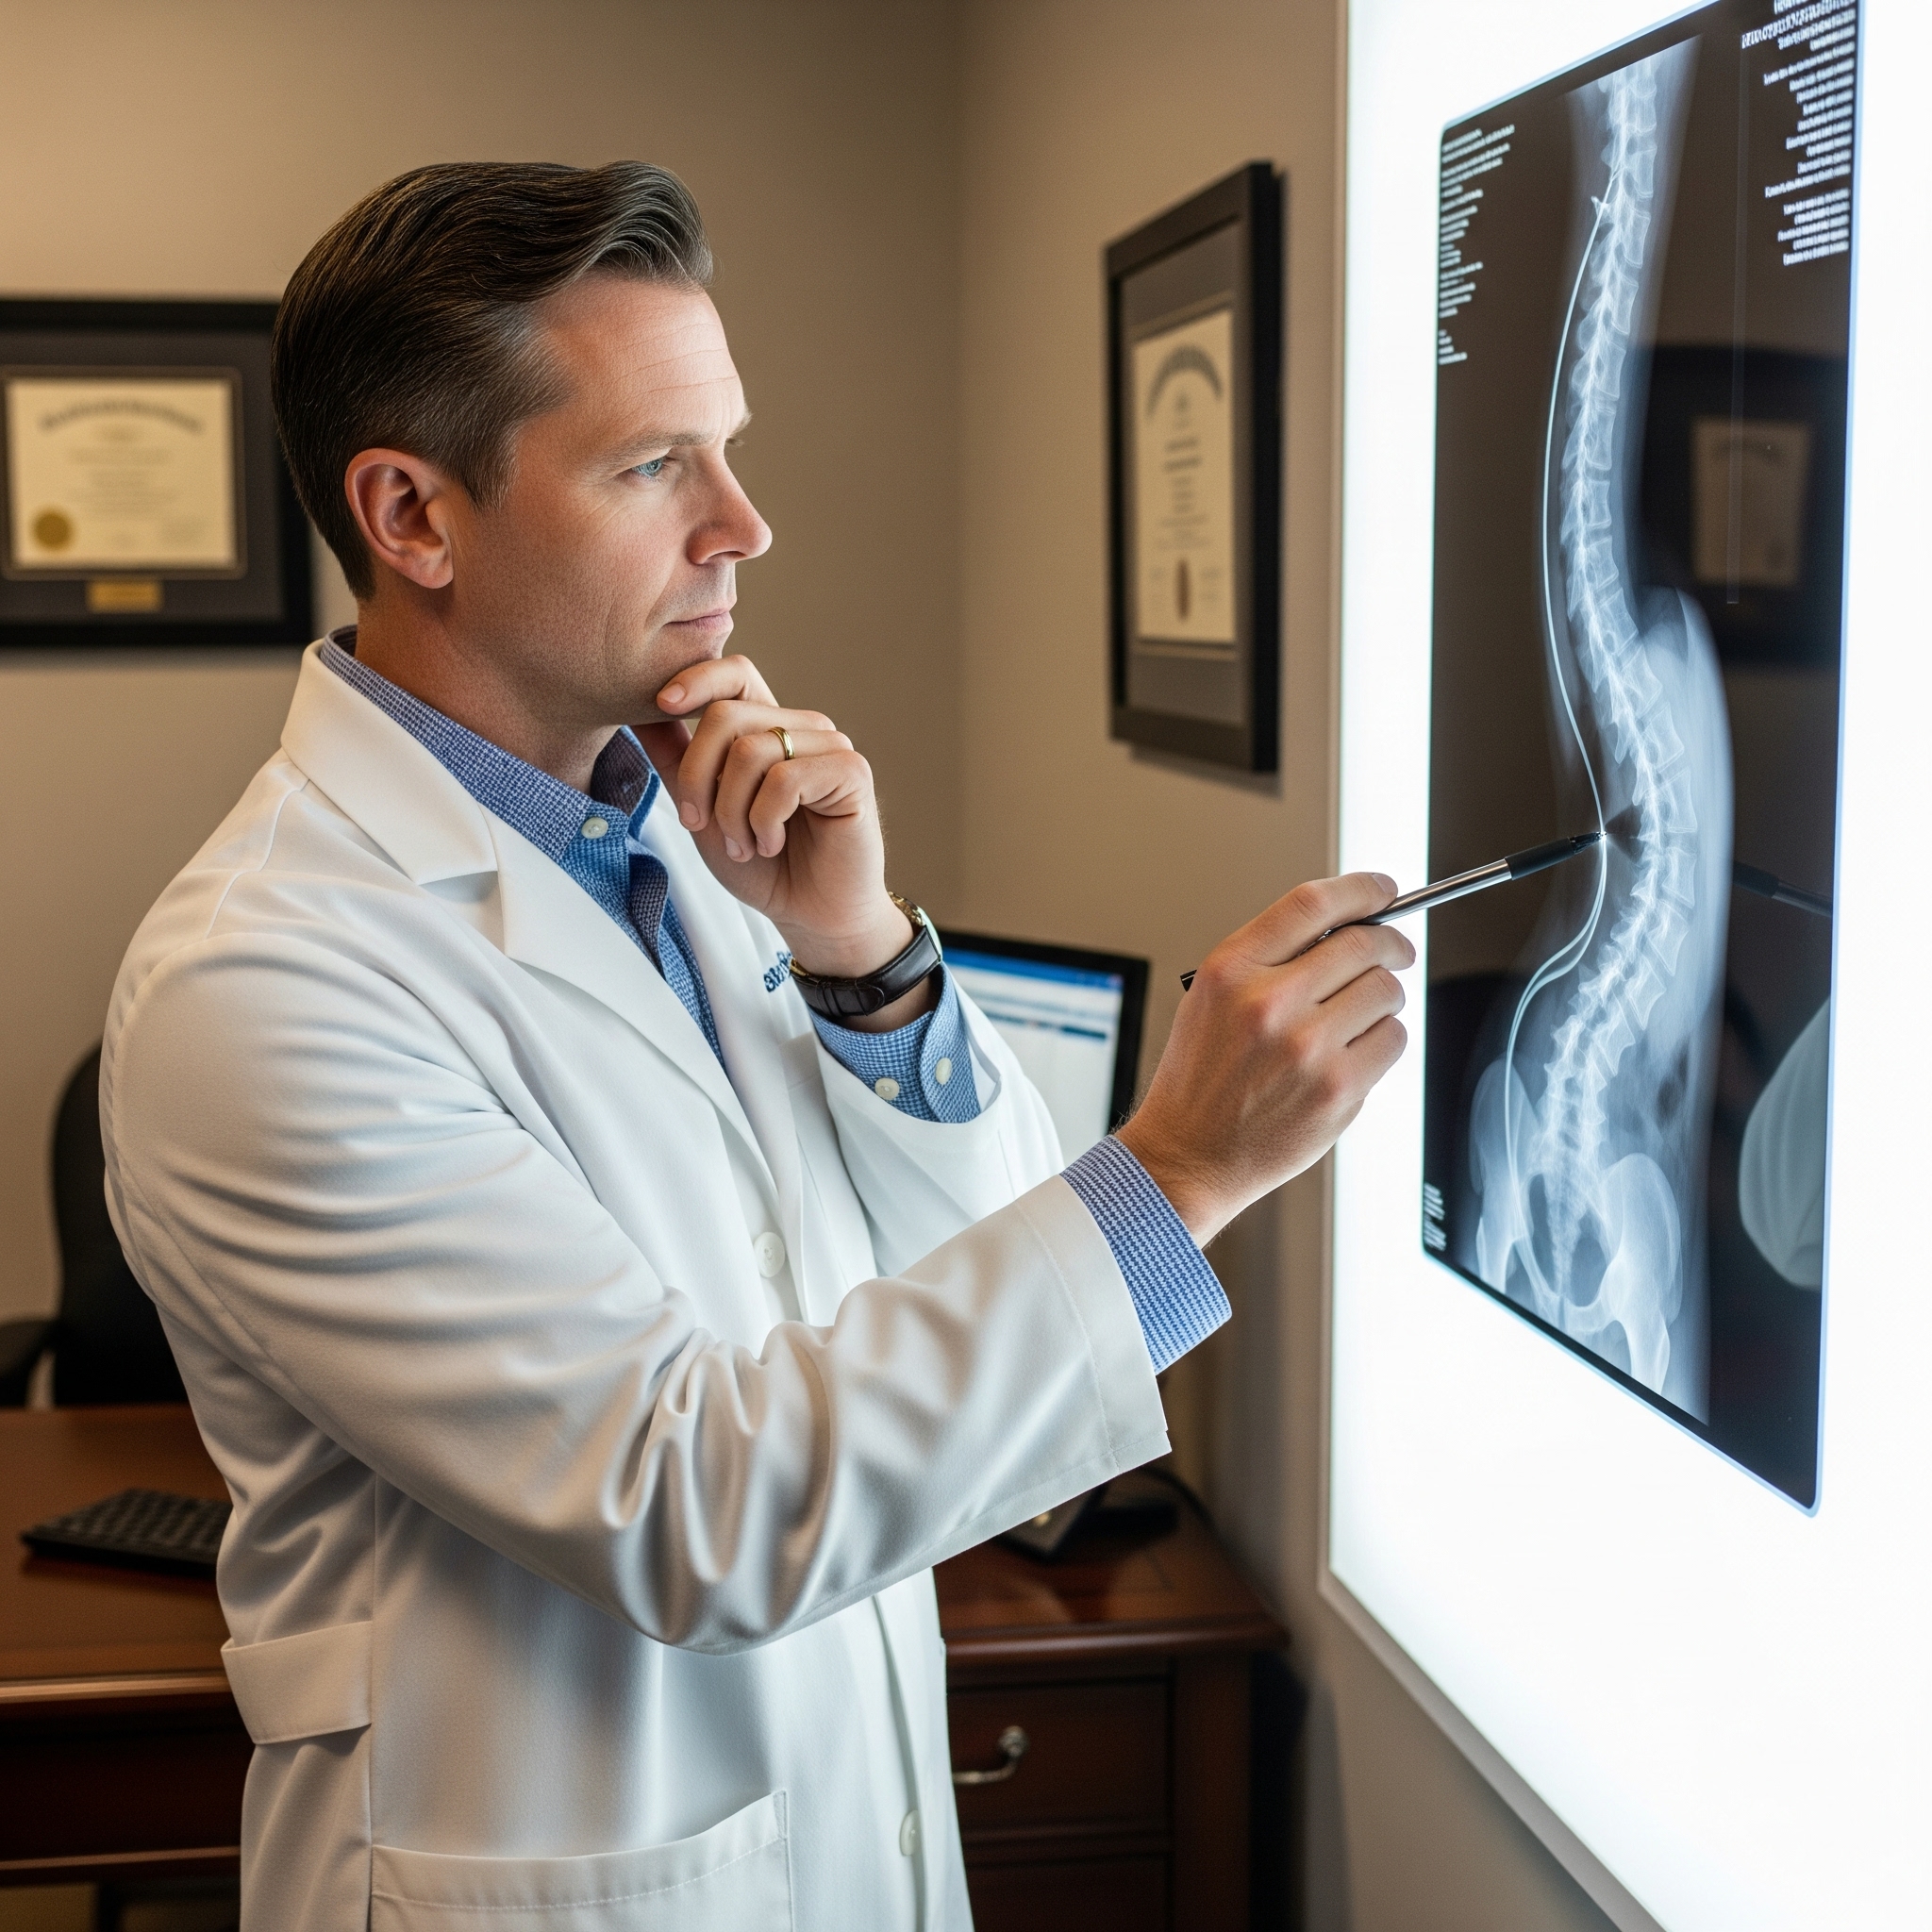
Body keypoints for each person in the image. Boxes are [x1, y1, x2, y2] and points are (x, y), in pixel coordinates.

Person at [100, 162, 1410, 1932]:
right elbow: (698, 1504)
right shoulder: (262, 981)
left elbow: (976, 1296)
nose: (744, 524)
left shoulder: (684, 849)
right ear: (413, 516)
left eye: (727, 450)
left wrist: (861, 962)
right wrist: (1188, 1164)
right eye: (656, 465)